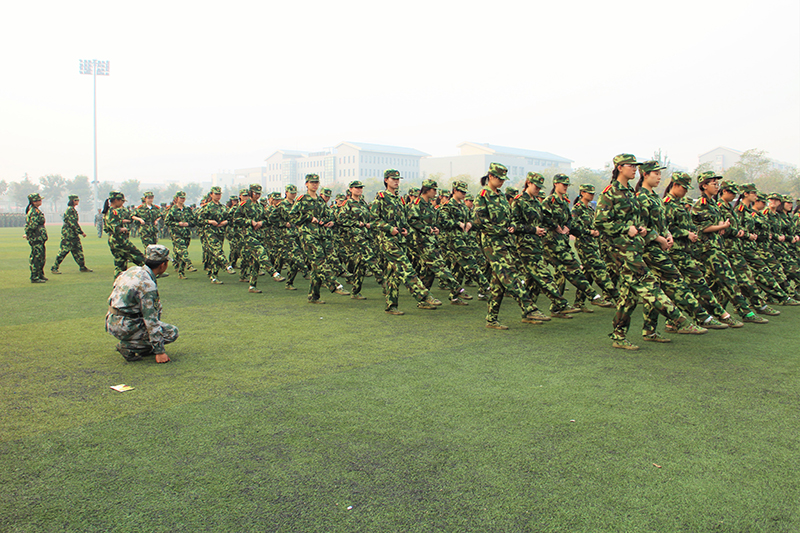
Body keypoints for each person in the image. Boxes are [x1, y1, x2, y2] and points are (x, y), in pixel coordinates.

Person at [594, 154, 705, 351]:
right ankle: (679, 321)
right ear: (619, 168)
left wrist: (644, 231)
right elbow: (600, 222)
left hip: (635, 246)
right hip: (621, 250)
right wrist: (625, 228)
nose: (634, 169)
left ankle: (620, 336)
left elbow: (637, 221)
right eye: (630, 165)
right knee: (649, 283)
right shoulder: (610, 193)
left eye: (635, 166)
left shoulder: (631, 192)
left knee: (629, 296)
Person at [473, 163, 547, 329]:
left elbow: (509, 218)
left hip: (505, 241)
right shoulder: (483, 196)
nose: (501, 182)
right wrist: (500, 230)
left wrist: (511, 226)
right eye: (499, 178)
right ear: (490, 176)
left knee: (498, 282)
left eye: (503, 179)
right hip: (492, 242)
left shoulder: (501, 196)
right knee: (509, 275)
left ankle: (491, 319)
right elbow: (479, 221)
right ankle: (529, 308)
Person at [691, 171, 768, 324]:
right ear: (704, 186)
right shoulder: (701, 204)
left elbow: (719, 224)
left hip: (718, 246)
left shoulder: (713, 204)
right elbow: (702, 228)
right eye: (714, 183)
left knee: (712, 286)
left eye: (718, 183)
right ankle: (745, 312)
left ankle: (705, 316)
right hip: (709, 248)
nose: (717, 186)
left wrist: (721, 226)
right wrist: (721, 227)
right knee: (729, 280)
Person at [370, 169, 441, 314]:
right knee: (406, 267)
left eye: (398, 179)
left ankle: (391, 306)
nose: (396, 181)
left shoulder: (399, 198)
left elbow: (403, 219)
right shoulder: (381, 197)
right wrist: (390, 228)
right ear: (386, 180)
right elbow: (373, 220)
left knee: (393, 275)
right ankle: (424, 295)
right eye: (393, 179)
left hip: (400, 240)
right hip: (387, 240)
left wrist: (405, 230)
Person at [105, 244, 179, 362]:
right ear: (163, 265)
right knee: (171, 332)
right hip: (125, 325)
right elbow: (151, 320)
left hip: (112, 320)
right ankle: (128, 346)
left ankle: (141, 347)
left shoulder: (133, 270)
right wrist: (160, 352)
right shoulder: (147, 285)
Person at [290, 174, 350, 303]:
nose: (314, 185)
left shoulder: (320, 201)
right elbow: (292, 216)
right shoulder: (302, 199)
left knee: (316, 267)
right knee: (320, 260)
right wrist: (308, 218)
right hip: (307, 235)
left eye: (316, 182)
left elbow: (329, 214)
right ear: (306, 184)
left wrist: (329, 221)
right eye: (312, 182)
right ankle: (335, 285)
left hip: (320, 234)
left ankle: (313, 296)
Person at [103, 191, 146, 278]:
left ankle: (118, 282)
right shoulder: (113, 212)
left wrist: (122, 221)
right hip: (119, 240)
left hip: (114, 240)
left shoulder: (110, 211)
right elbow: (115, 228)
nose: (122, 203)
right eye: (121, 201)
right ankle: (153, 270)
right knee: (139, 256)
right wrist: (124, 228)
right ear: (116, 200)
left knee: (120, 264)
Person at [196, 186, 230, 284]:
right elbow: (199, 220)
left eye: (219, 194)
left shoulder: (223, 207)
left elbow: (229, 218)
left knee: (215, 255)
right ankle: (227, 265)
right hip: (210, 232)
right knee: (217, 250)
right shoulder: (207, 207)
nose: (218, 196)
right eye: (216, 194)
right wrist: (209, 221)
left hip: (220, 232)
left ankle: (213, 275)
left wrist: (226, 222)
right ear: (211, 194)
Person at [51, 195, 93, 274]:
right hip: (68, 234)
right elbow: (73, 223)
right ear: (73, 201)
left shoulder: (72, 210)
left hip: (73, 234)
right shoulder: (70, 210)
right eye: (77, 200)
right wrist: (81, 232)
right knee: (64, 251)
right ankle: (54, 267)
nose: (78, 201)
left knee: (78, 250)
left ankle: (82, 267)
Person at [164, 191, 197, 279]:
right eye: (181, 198)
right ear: (176, 199)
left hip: (186, 234)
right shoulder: (172, 210)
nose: (182, 200)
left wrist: (188, 224)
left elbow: (194, 221)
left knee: (182, 252)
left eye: (183, 198)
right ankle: (189, 264)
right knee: (183, 250)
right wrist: (177, 224)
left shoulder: (188, 209)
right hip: (176, 233)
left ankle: (181, 272)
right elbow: (167, 222)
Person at [24, 192, 48, 283]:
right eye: (39, 200)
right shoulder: (33, 212)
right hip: (36, 237)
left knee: (41, 257)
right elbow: (32, 225)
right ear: (34, 202)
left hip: (39, 237)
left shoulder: (36, 210)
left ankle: (40, 274)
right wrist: (28, 234)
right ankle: (34, 276)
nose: (40, 201)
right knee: (36, 257)